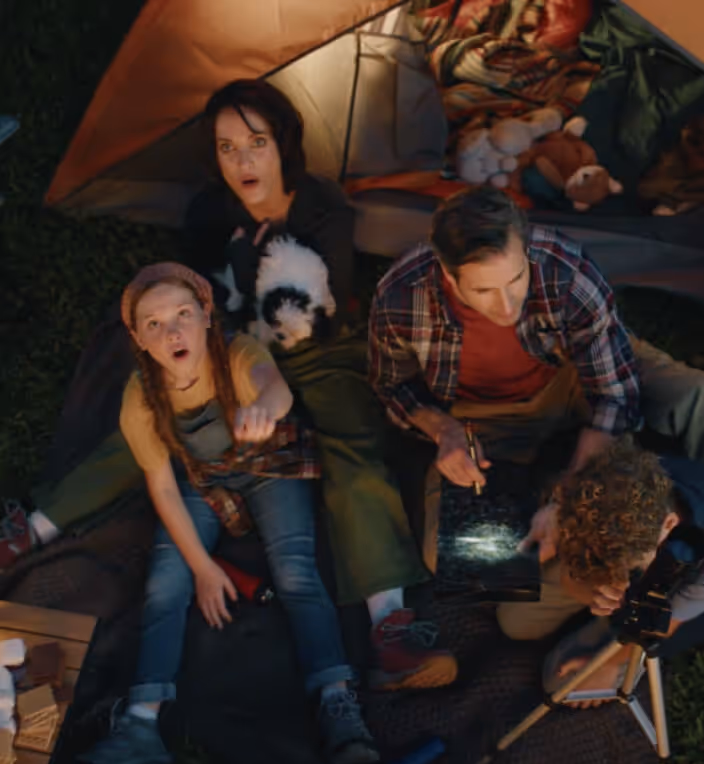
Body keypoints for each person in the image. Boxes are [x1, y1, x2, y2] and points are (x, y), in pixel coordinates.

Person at [2, 80, 457, 690]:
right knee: (151, 422)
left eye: (256, 143)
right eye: (226, 147)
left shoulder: (323, 206)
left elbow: (313, 310)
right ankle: (32, 529)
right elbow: (195, 299)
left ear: (282, 145)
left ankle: (388, 620)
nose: (242, 161)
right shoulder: (208, 212)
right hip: (231, 345)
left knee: (354, 447)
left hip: (316, 346)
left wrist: (247, 278)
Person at [367, 185, 704, 607]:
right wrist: (445, 431)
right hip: (485, 419)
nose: (507, 305)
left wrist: (568, 495)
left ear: (525, 246)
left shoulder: (562, 265)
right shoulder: (401, 296)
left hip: (578, 376)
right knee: (458, 560)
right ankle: (610, 573)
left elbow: (612, 394)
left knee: (698, 393)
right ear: (446, 273)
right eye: (482, 291)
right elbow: (392, 386)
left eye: (517, 279)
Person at [79, 263, 378, 764]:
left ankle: (336, 700)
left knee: (296, 571)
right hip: (204, 479)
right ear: (137, 338)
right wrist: (203, 567)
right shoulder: (141, 396)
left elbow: (274, 387)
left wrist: (265, 406)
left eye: (182, 315)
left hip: (268, 469)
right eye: (154, 324)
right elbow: (164, 488)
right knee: (163, 584)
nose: (172, 331)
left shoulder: (238, 352)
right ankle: (142, 722)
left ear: (206, 316)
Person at [496, 439, 704, 704]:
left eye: (630, 564)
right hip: (604, 563)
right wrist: (591, 591)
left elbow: (663, 627)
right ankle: (592, 620)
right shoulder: (616, 483)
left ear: (669, 524)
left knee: (562, 685)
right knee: (514, 621)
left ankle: (602, 633)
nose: (623, 571)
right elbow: (578, 571)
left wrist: (604, 665)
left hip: (660, 611)